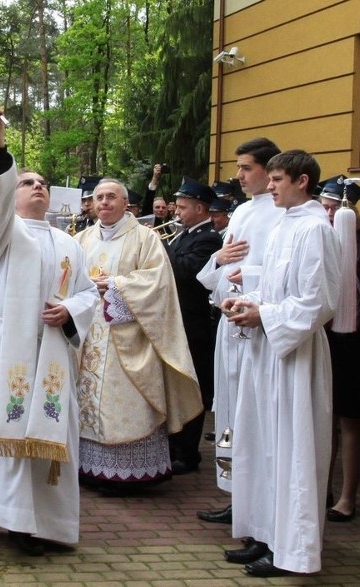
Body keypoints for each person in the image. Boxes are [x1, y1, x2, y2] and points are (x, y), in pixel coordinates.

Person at [0, 99, 98, 555]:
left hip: (51, 351)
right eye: (28, 182)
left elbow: (89, 292)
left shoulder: (70, 243)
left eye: (44, 184)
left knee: (50, 432)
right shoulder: (2, 234)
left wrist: (71, 310)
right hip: (4, 346)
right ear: (13, 194)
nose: (38, 188)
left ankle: (37, 520)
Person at [220, 149, 339, 577]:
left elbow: (319, 300)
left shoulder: (315, 229)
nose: (269, 187)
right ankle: (266, 535)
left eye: (276, 180)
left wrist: (264, 316)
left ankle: (295, 550)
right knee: (264, 445)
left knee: (292, 449)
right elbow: (274, 286)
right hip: (268, 350)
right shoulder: (286, 226)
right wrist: (246, 299)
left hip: (296, 356)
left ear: (302, 181)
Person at [75, 178, 203, 493]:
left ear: (125, 203)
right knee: (87, 399)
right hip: (90, 332)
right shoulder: (81, 239)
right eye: (99, 197)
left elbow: (158, 282)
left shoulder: (146, 238)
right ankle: (88, 468)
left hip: (127, 334)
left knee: (125, 402)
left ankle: (127, 474)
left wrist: (117, 285)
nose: (103, 202)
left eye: (110, 197)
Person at [195, 137, 283, 524]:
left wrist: (242, 275)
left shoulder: (282, 214)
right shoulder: (243, 210)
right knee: (229, 411)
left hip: (258, 326)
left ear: (269, 169)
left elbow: (279, 275)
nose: (239, 175)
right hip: (228, 325)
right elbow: (220, 266)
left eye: (246, 168)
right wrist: (219, 258)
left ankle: (257, 502)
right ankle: (236, 496)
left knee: (252, 415)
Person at [165, 180, 223, 474]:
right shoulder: (182, 236)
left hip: (195, 324)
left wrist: (160, 248)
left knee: (192, 387)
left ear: (200, 208)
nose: (177, 211)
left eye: (183, 207)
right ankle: (174, 446)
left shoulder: (209, 239)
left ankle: (188, 453)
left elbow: (190, 273)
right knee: (175, 386)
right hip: (178, 322)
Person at [317, 176, 360, 523]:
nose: (329, 214)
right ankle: (323, 488)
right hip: (325, 338)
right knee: (324, 418)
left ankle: (347, 496)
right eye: (326, 207)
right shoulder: (319, 240)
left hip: (355, 343)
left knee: (349, 420)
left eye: (334, 208)